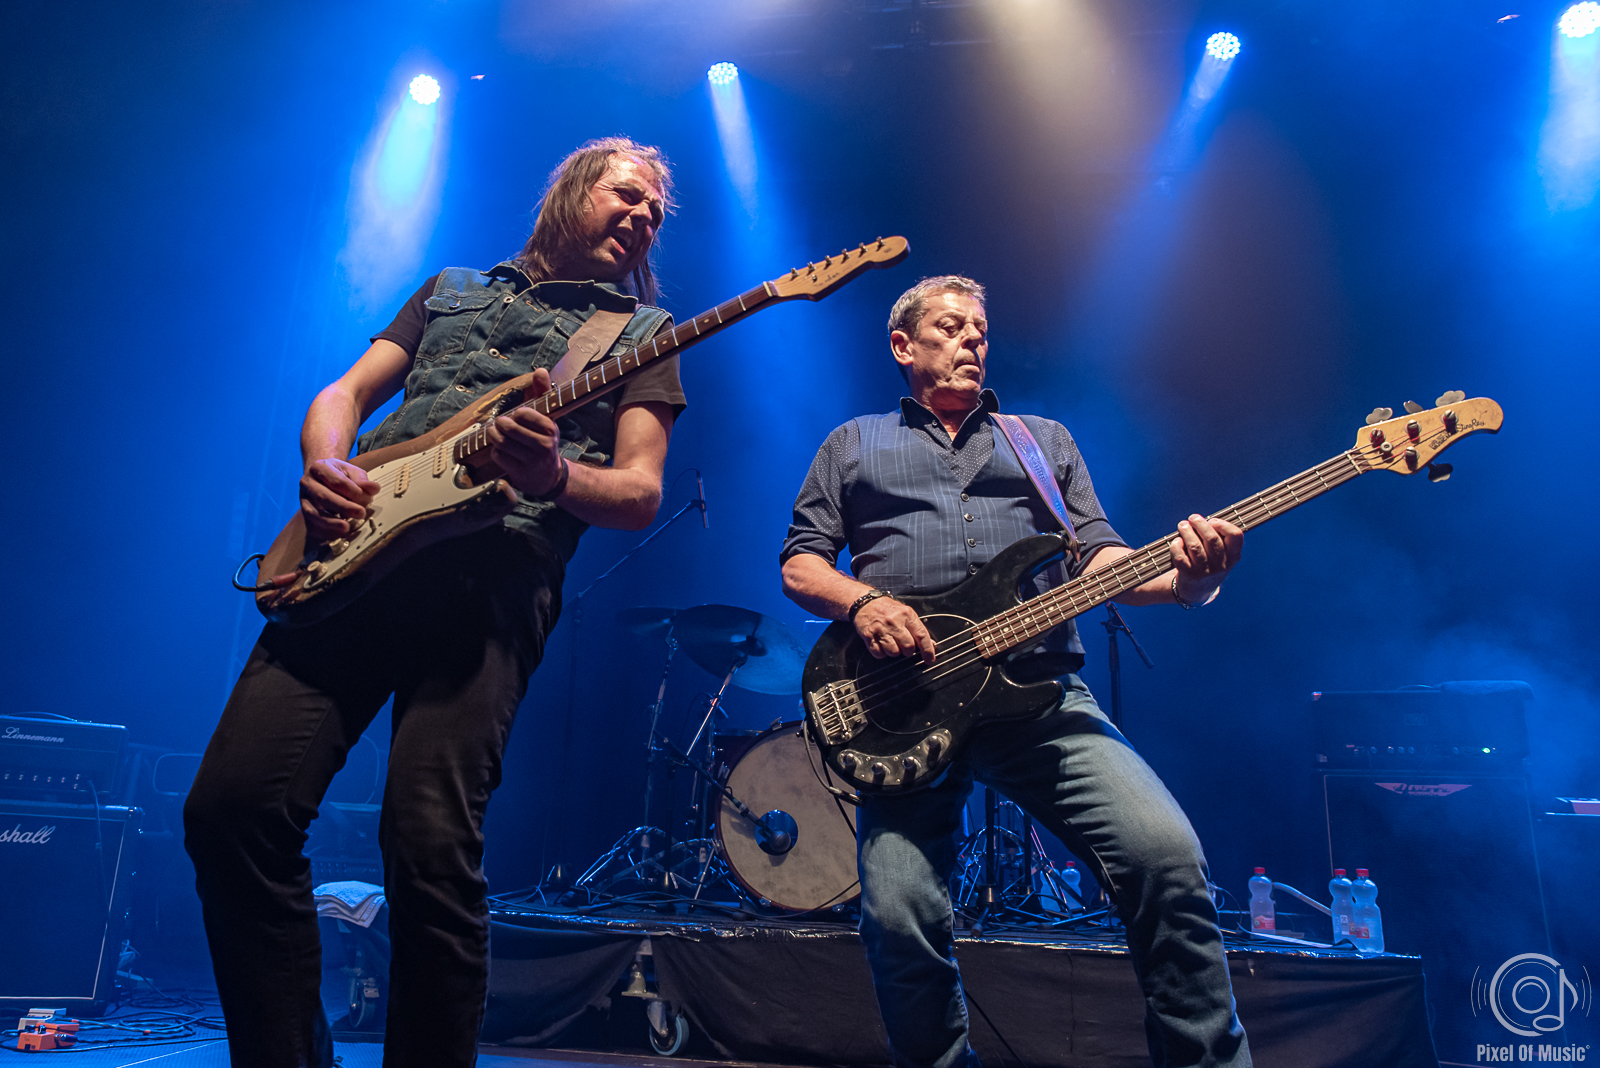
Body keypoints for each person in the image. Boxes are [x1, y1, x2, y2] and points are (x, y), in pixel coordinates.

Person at [184, 137, 687, 1068]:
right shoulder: (450, 288)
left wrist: (554, 474)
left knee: (427, 843)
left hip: (490, 583)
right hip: (352, 563)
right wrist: (327, 464)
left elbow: (640, 492)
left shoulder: (641, 335)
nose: (642, 217)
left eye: (655, 213)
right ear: (572, 189)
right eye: (627, 195)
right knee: (230, 810)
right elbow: (344, 392)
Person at [780, 275, 1252, 1068]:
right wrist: (862, 603)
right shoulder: (852, 442)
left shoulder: (1042, 441)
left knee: (1166, 858)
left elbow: (1101, 560)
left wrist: (1191, 580)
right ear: (903, 346)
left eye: (980, 329)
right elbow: (800, 564)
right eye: (950, 326)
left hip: (1042, 698)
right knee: (897, 915)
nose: (972, 338)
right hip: (908, 705)